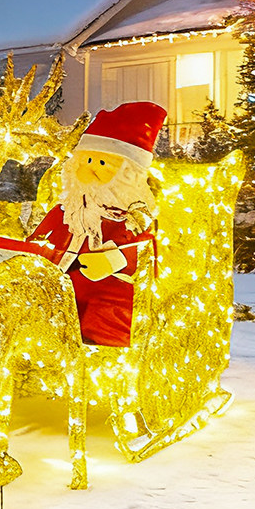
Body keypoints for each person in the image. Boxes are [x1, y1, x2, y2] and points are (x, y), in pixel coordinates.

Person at [26, 101, 167, 347]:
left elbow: (149, 251)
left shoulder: (134, 217)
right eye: (85, 161)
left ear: (127, 174)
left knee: (101, 324)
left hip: (107, 302)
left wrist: (117, 260)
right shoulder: (65, 211)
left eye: (101, 164)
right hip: (55, 296)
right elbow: (36, 243)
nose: (87, 171)